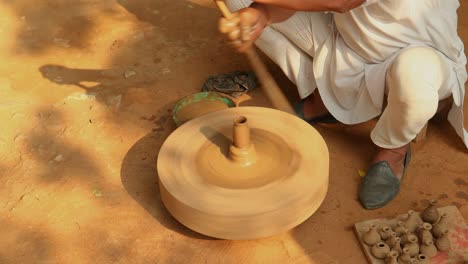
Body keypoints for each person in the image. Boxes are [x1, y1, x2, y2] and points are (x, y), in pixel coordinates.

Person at [218, 0, 468, 209]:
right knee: (239, 2)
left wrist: (265, 9)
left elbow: (340, 1)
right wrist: (261, 12)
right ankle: (325, 99)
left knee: (413, 75)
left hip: (420, 53)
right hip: (351, 44)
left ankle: (394, 150)